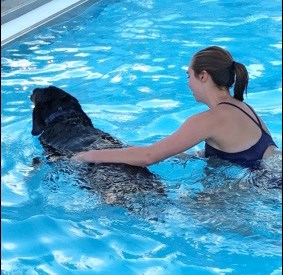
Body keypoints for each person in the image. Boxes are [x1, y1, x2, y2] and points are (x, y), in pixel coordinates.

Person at [71, 46, 278, 168]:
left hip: (264, 191)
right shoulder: (243, 107)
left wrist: (88, 156)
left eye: (189, 76)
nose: (188, 83)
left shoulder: (208, 120)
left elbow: (148, 156)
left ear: (203, 76)